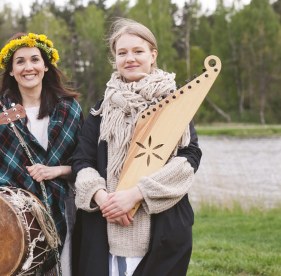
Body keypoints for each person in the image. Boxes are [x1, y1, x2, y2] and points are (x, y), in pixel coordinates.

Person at [72, 19, 202, 276]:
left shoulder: (174, 102)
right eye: (122, 53)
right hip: (104, 225)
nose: (130, 58)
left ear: (153, 55)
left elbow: (189, 157)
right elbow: (82, 161)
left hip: (163, 224)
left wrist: (136, 194)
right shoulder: (101, 109)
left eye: (138, 51)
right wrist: (104, 199)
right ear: (115, 59)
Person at [0, 32, 83, 275]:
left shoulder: (69, 109)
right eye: (20, 61)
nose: (28, 67)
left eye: (35, 59)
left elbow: (86, 164)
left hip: (61, 213)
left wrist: (56, 170)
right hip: (9, 224)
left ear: (46, 66)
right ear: (11, 70)